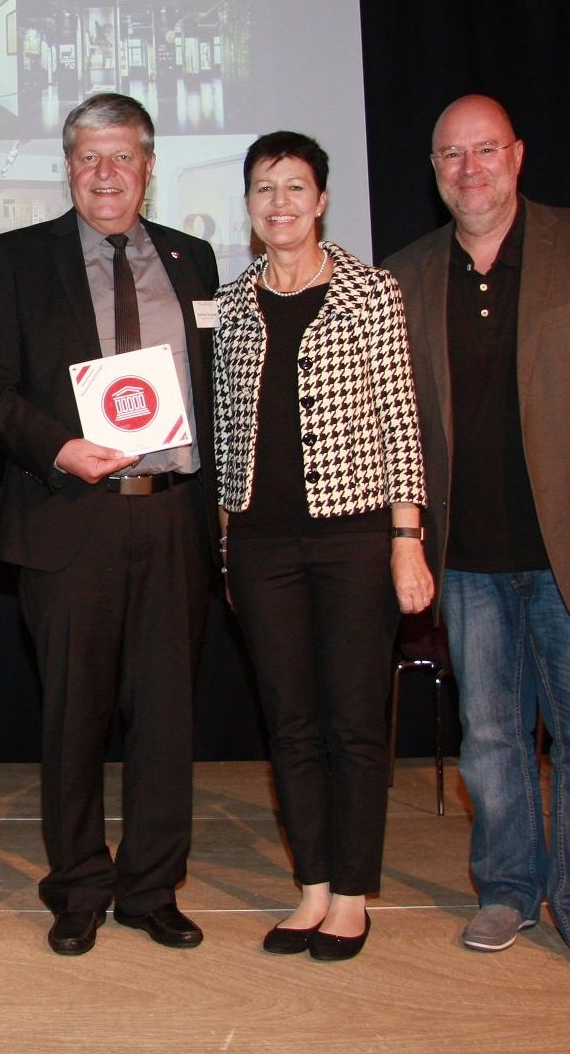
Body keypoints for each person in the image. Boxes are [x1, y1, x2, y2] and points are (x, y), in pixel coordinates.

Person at [385, 94, 570, 983]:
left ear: (517, 157)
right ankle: (509, 887)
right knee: (489, 734)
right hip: (467, 553)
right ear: (434, 171)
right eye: (451, 156)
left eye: (485, 151)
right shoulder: (405, 273)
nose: (469, 169)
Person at [0, 92, 217, 958]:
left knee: (166, 716)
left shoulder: (195, 259)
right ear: (67, 168)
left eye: (122, 157)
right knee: (72, 717)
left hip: (170, 520)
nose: (105, 174)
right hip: (67, 516)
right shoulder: (16, 257)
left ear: (149, 168)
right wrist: (59, 448)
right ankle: (77, 884)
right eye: (88, 158)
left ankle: (151, 886)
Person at [212, 131, 431, 963]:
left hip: (355, 536)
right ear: (250, 204)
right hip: (261, 544)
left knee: (354, 722)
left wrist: (406, 542)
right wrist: (229, 551)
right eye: (265, 189)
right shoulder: (232, 306)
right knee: (291, 722)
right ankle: (309, 887)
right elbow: (232, 437)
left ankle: (350, 894)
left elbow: (402, 423)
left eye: (296, 187)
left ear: (323, 198)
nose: (280, 204)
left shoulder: (374, 293)